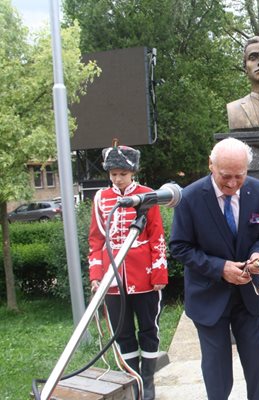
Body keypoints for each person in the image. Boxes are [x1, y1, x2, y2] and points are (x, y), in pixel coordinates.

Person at [169, 137, 259, 400]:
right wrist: (220, 268)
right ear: (211, 165)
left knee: (257, 364)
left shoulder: (258, 191)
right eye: (225, 176)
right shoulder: (189, 198)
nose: (232, 183)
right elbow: (179, 247)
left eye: (239, 176)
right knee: (217, 370)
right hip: (208, 296)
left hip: (248, 295)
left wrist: (257, 254)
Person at [88, 144, 167, 400]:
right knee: (122, 332)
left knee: (148, 328)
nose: (117, 178)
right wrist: (96, 276)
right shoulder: (101, 198)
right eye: (113, 174)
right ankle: (133, 378)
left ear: (132, 171)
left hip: (143, 277)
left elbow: (157, 236)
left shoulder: (147, 195)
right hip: (113, 280)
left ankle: (148, 379)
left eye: (122, 173)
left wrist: (159, 274)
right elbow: (96, 241)